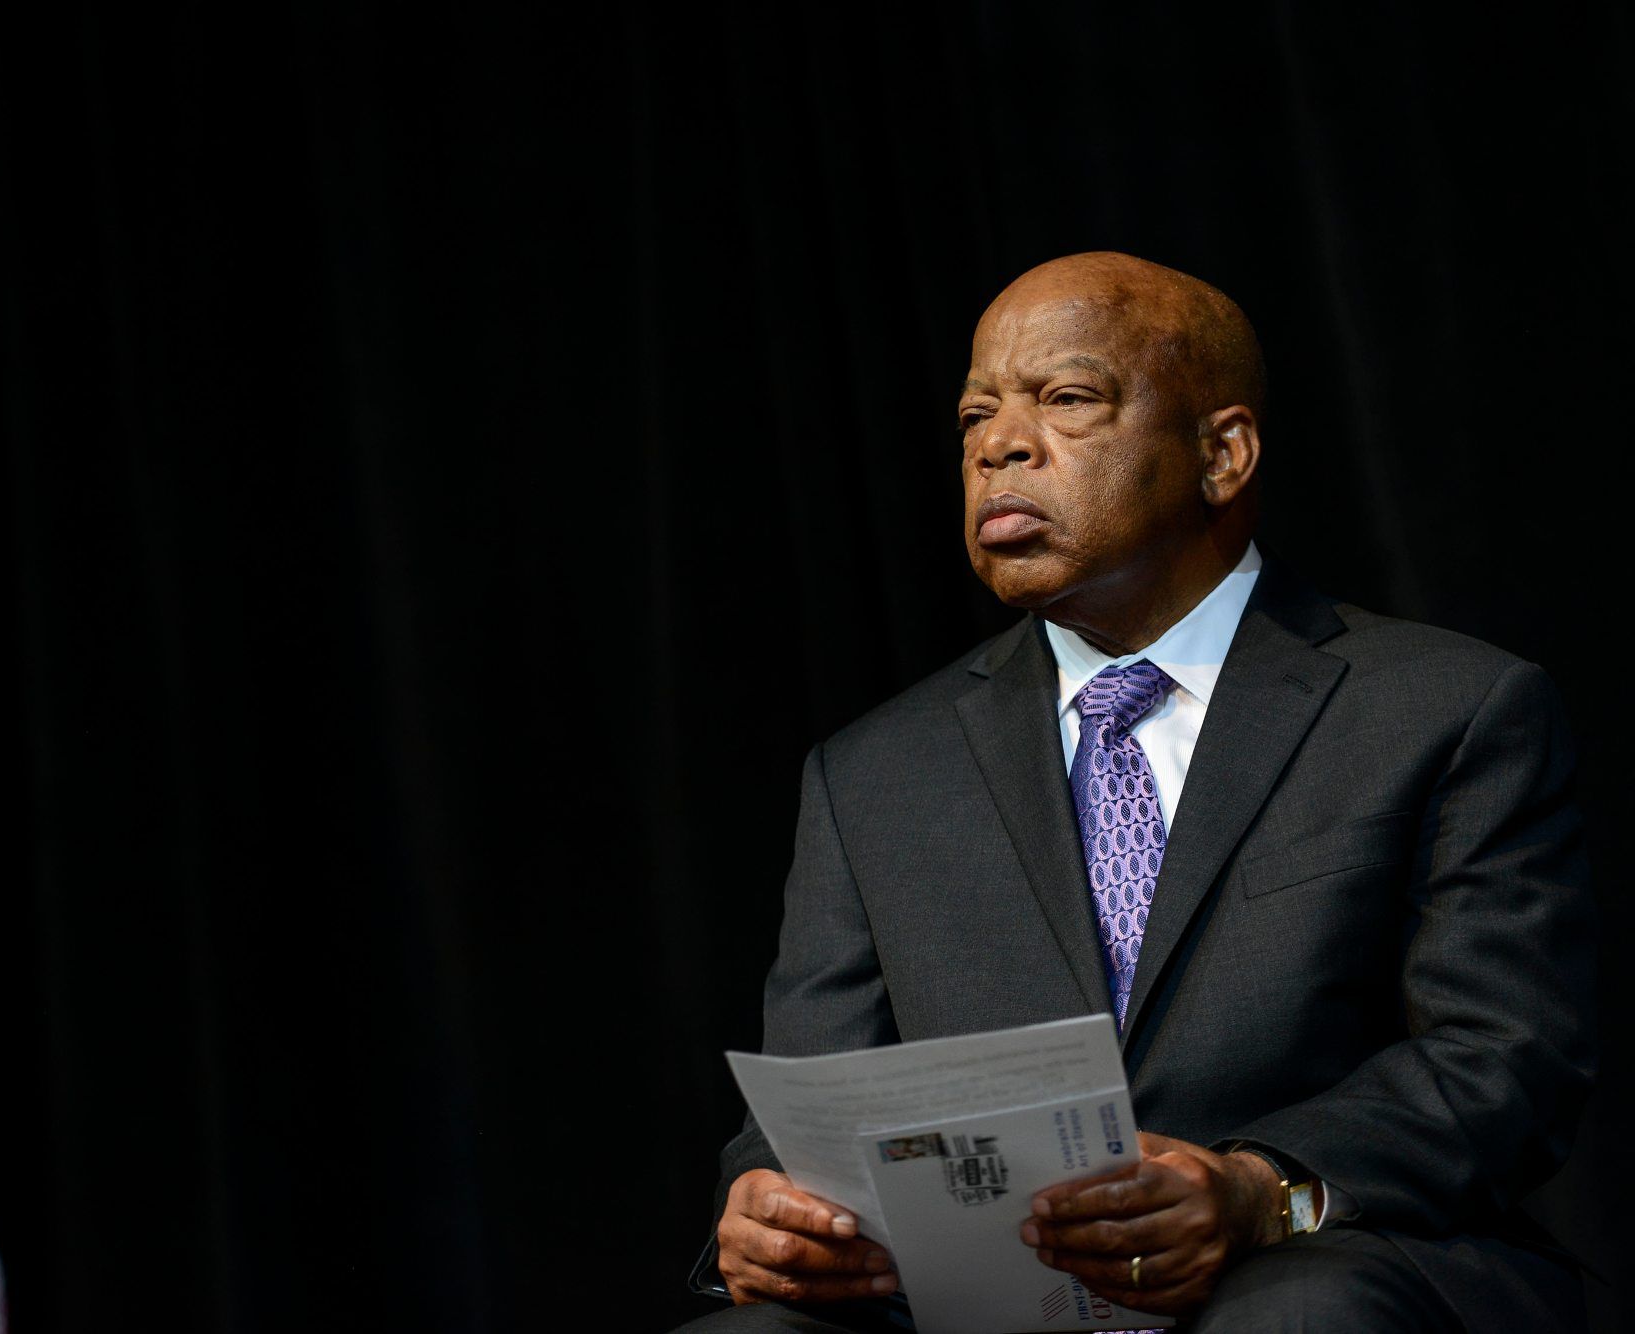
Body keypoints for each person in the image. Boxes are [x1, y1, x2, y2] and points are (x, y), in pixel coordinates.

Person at [679, 253, 1595, 1331]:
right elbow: (810, 1105)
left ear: (1221, 452)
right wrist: (768, 1204)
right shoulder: (873, 772)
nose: (998, 444)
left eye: (1066, 398)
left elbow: (1501, 1056)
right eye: (975, 414)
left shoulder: (1445, 707)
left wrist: (1256, 1188)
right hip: (993, 1294)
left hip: (1319, 1254)